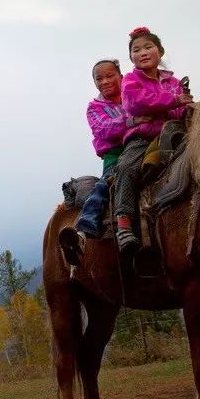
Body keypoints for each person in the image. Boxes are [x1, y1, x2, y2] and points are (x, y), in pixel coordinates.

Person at [111, 27, 192, 253]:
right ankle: (124, 221)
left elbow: (181, 110)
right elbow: (136, 103)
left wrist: (184, 107)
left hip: (175, 135)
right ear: (131, 58)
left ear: (161, 51)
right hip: (143, 138)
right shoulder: (129, 80)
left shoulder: (173, 81)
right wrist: (174, 100)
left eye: (148, 47)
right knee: (126, 168)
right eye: (136, 50)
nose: (143, 52)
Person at [58, 58, 130, 266]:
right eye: (99, 78)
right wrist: (132, 119)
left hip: (145, 143)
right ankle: (84, 229)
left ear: (121, 76)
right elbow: (104, 130)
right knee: (103, 187)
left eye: (110, 76)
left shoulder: (134, 94)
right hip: (115, 156)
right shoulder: (95, 108)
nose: (105, 81)